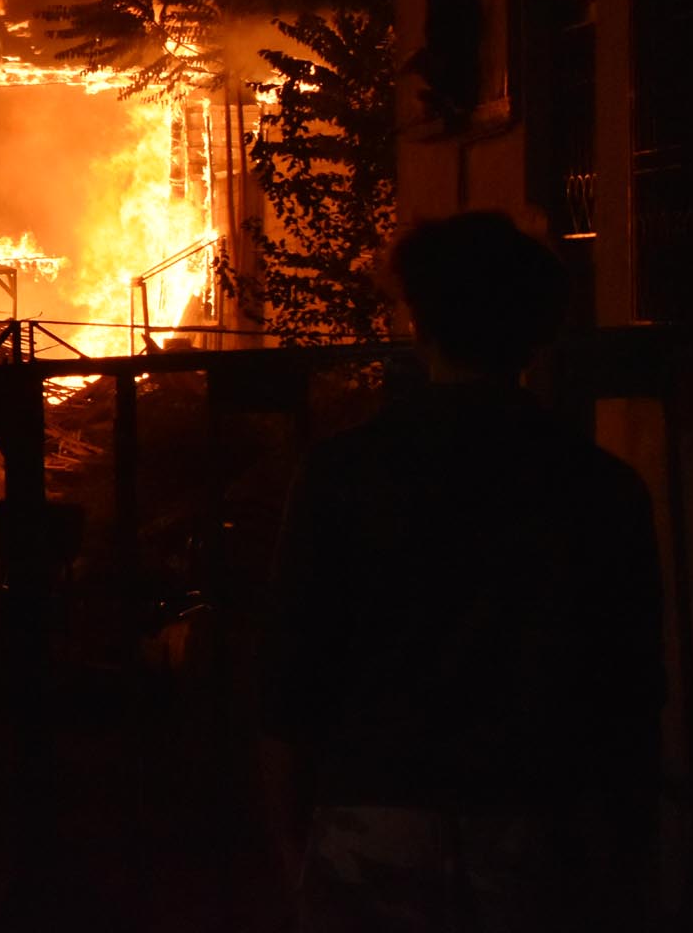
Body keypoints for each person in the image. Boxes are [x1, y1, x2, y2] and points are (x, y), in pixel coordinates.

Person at [259, 212, 661, 932]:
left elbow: (292, 674)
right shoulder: (601, 486)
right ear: (541, 329)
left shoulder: (343, 474)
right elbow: (631, 691)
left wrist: (297, 845)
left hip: (375, 814)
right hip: (537, 822)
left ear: (419, 323)